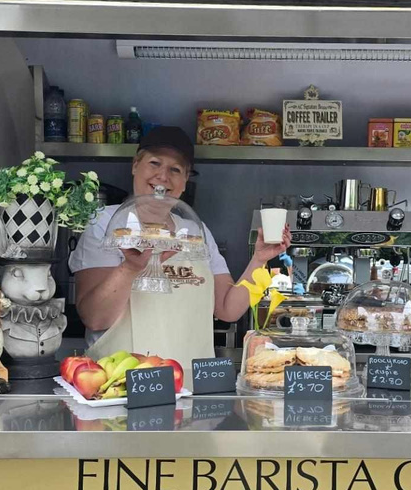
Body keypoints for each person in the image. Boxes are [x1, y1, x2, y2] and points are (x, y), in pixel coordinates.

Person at [69, 126, 291, 377]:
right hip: (120, 383)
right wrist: (130, 267)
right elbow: (95, 318)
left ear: (185, 182)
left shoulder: (196, 231)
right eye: (154, 163)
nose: (163, 176)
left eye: (175, 170)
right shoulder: (105, 223)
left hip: (189, 385)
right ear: (135, 166)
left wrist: (259, 260)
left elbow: (228, 309)